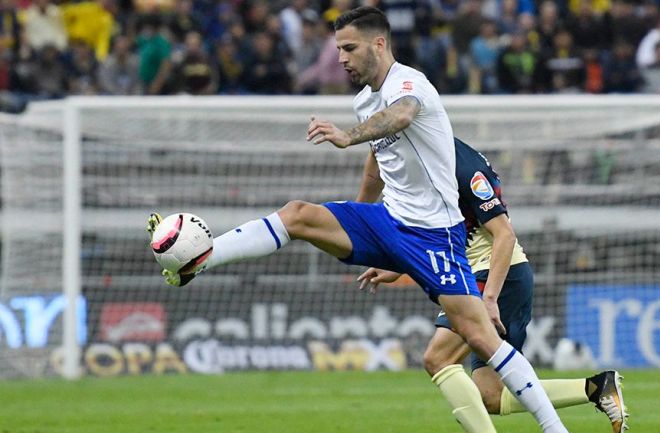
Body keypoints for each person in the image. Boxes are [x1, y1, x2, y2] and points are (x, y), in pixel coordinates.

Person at [148, 7, 569, 433]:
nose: (342, 58)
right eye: (338, 49)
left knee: (480, 338)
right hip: (387, 221)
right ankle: (201, 258)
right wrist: (360, 219)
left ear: (379, 44)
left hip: (435, 236)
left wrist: (347, 135)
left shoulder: (410, 83)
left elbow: (402, 115)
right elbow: (376, 164)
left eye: (349, 48)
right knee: (298, 215)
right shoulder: (365, 99)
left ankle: (555, 429)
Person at [357, 137, 629, 433]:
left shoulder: (465, 168)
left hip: (497, 275)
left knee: (438, 358)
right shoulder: (423, 160)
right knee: (490, 396)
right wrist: (398, 266)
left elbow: (505, 234)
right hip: (474, 275)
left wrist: (489, 299)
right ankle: (595, 388)